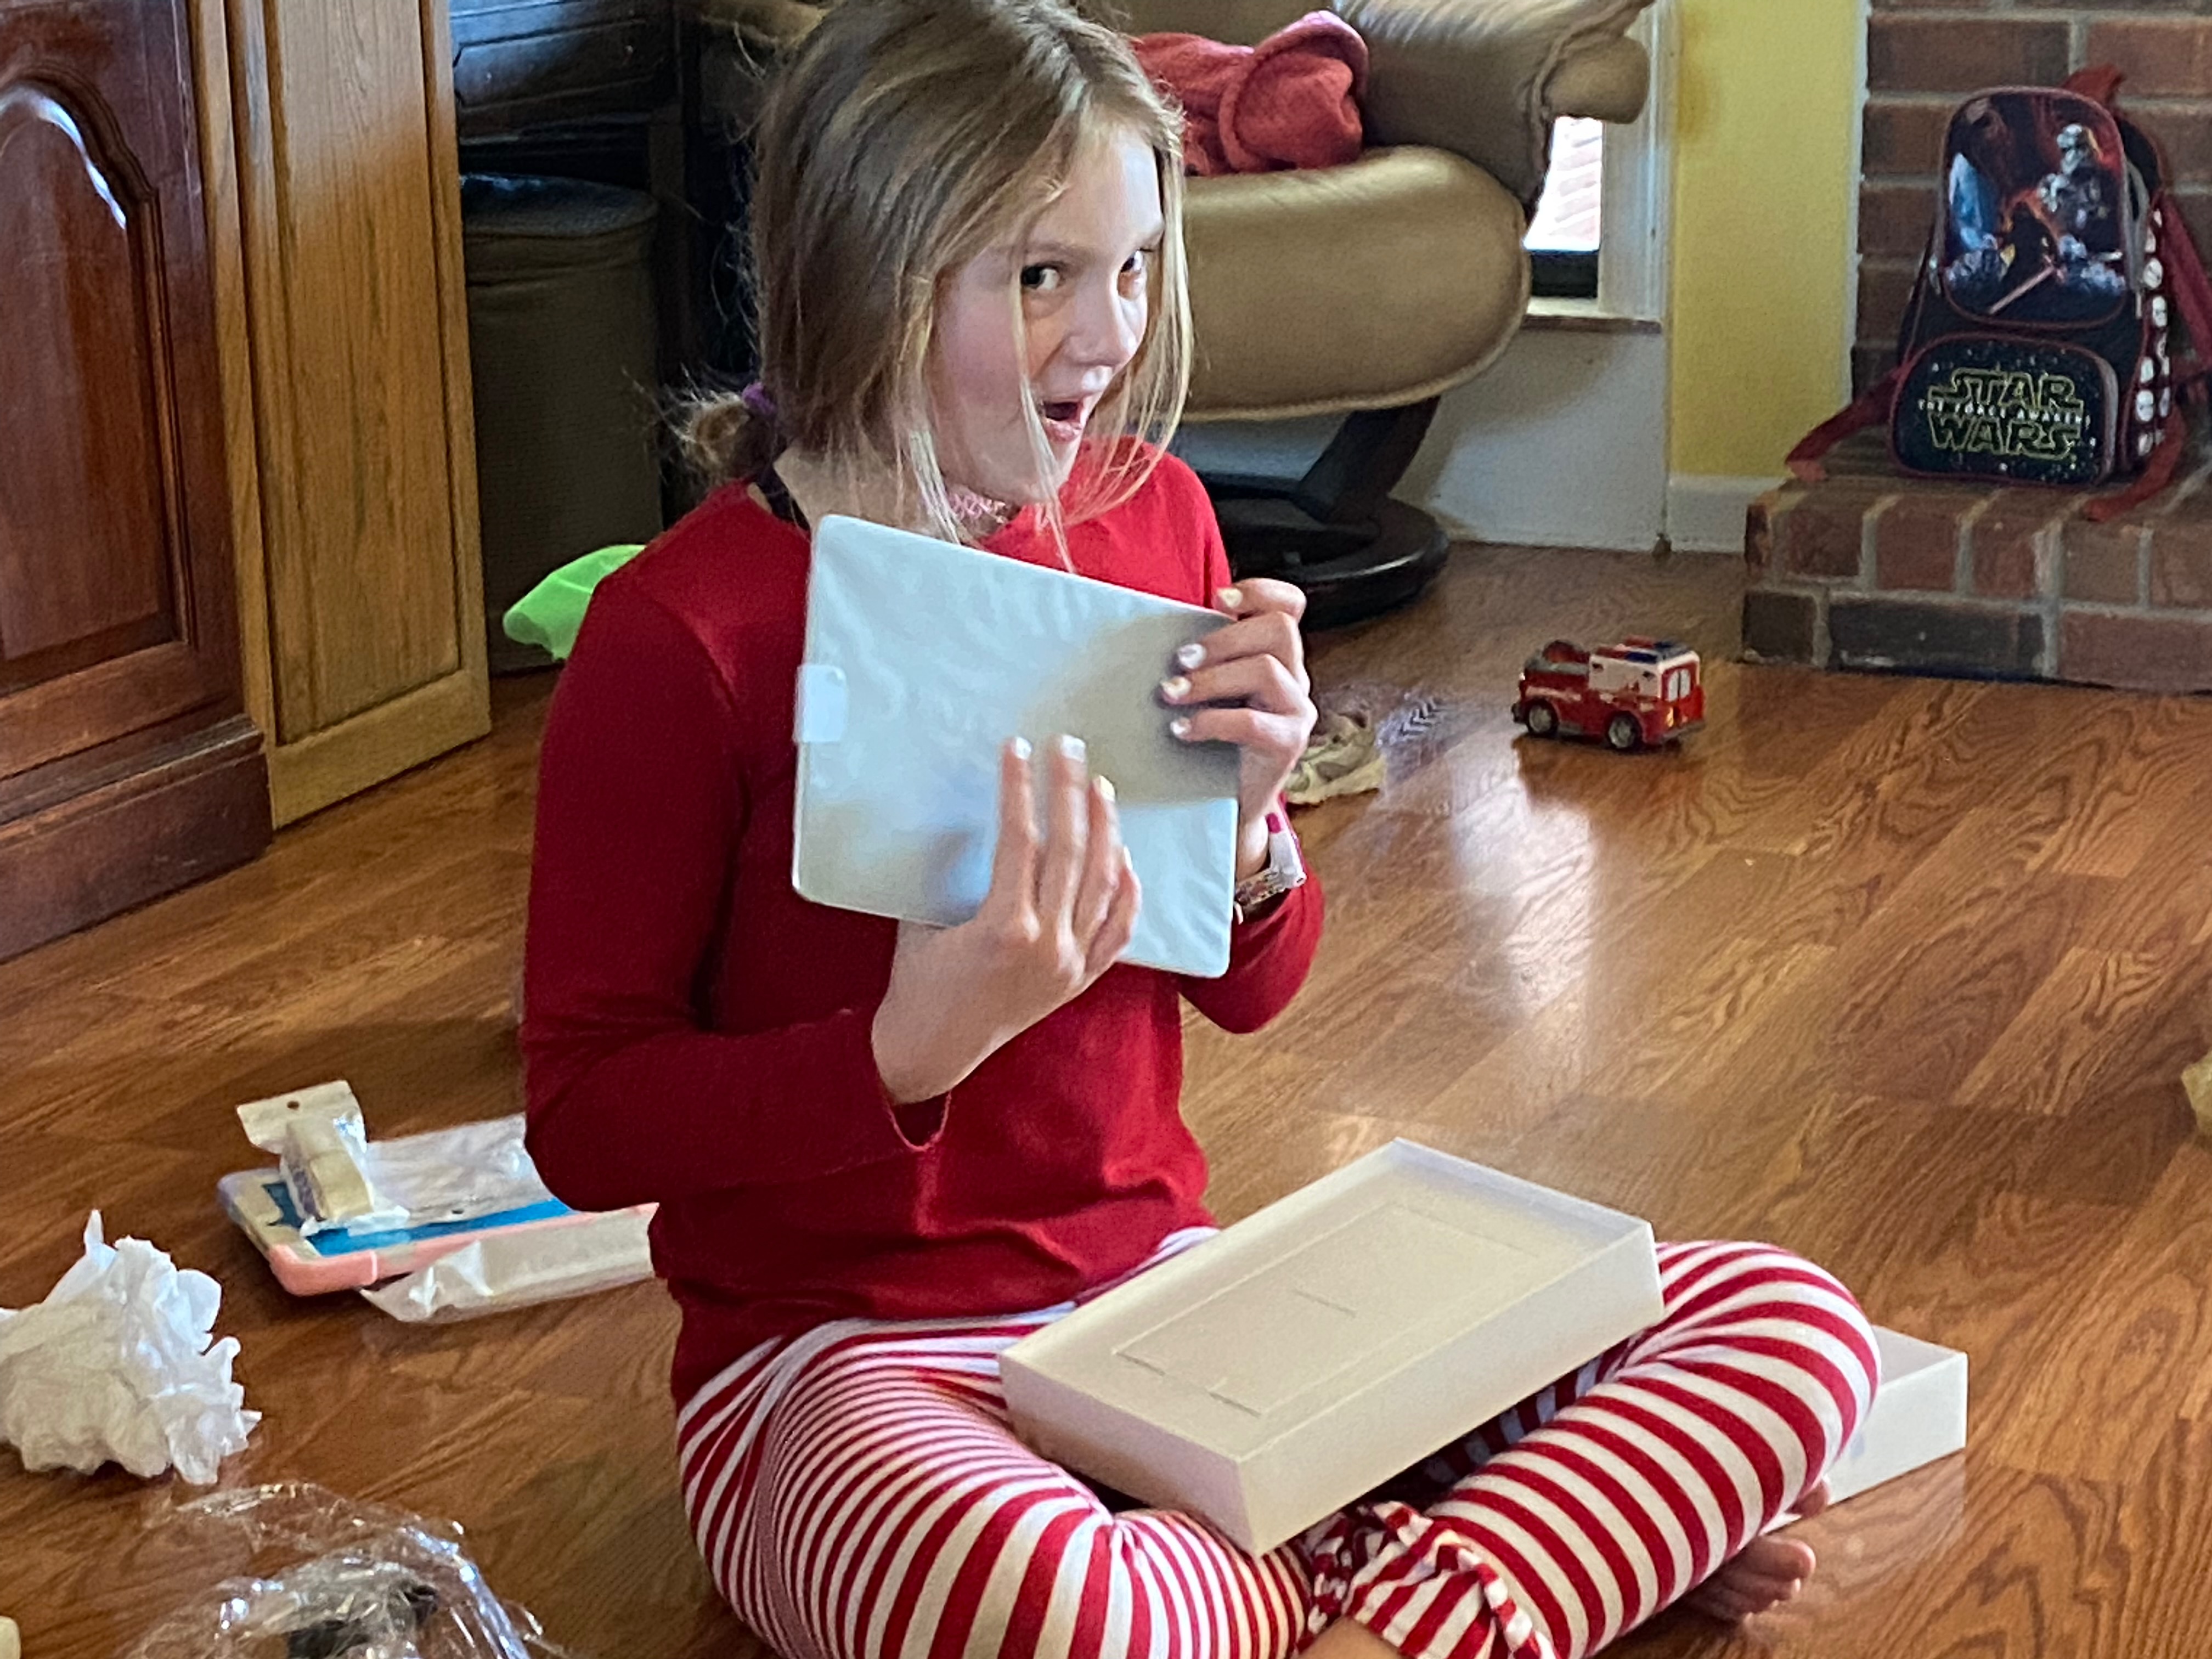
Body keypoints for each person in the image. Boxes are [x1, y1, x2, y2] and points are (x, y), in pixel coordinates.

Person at [519, 3, 1880, 1657]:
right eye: (1042, 277)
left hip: (1171, 1312)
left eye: (1137, 266)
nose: (1107, 334)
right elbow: (583, 1120)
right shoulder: (683, 635)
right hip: (849, 1369)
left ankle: (1331, 1576)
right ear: (868, 270)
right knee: (1034, 1604)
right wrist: (903, 1052)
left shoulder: (1157, 520)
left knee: (1789, 1325)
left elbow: (1247, 989)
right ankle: (1463, 1560)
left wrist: (1250, 827)